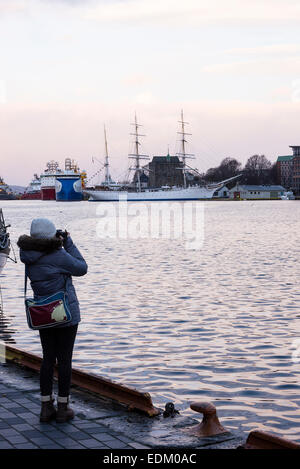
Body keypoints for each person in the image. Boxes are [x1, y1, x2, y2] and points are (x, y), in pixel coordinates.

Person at [17, 218, 88, 423]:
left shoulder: (27, 255)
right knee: (65, 360)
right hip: (64, 314)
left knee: (48, 359)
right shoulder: (58, 255)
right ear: (51, 236)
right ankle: (63, 408)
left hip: (43, 315)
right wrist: (68, 242)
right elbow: (82, 268)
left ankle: (46, 408)